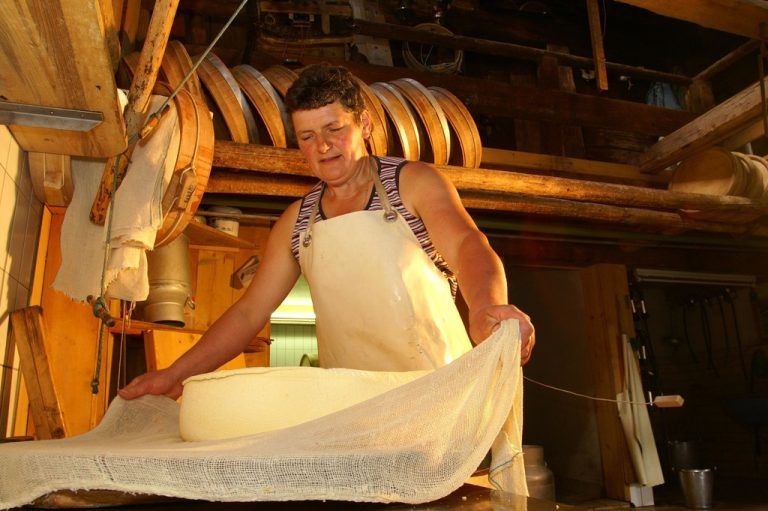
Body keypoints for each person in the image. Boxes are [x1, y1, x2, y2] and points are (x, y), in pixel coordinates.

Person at [119, 64, 534, 401]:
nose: (322, 146)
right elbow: (248, 314)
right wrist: (175, 375)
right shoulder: (298, 222)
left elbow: (467, 246)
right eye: (308, 136)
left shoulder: (412, 184)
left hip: (440, 396)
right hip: (353, 408)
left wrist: (486, 306)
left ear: (364, 124)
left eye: (335, 129)